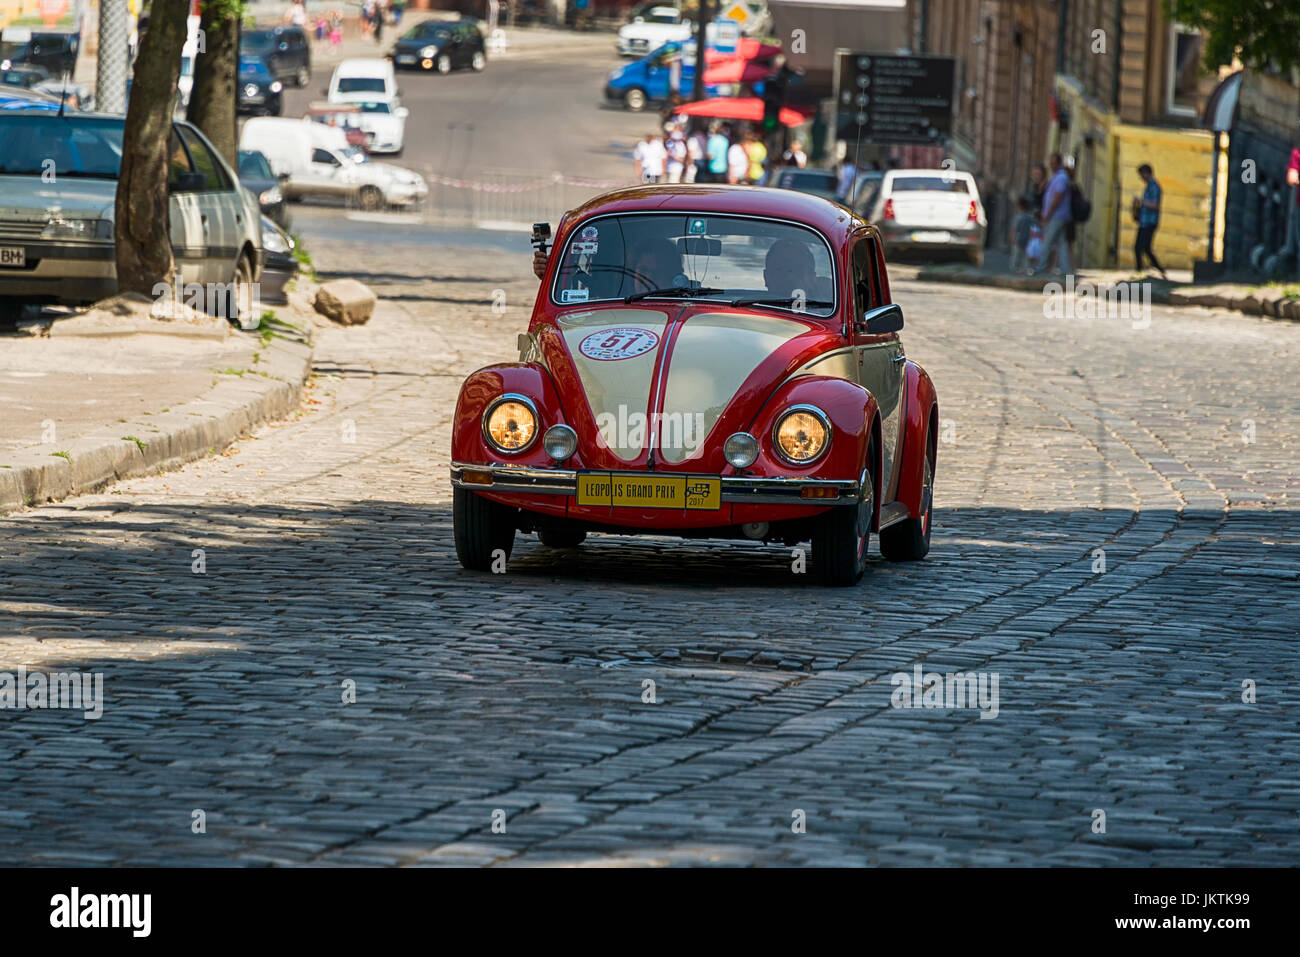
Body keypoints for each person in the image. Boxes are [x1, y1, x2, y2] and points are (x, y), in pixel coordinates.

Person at [1036, 152, 1072, 276]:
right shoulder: (1057, 176)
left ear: (1059, 163)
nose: (1051, 165)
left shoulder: (1061, 177)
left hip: (1057, 216)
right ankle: (1065, 271)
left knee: (1048, 241)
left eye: (1053, 163)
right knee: (1062, 244)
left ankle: (1041, 268)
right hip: (1059, 215)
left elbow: (1057, 196)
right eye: (1050, 163)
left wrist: (1048, 213)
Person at [1134, 163, 1167, 279]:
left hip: (1150, 222)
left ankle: (1155, 268)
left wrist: (1141, 202)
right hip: (1144, 221)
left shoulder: (1154, 186)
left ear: (1146, 173)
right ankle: (1144, 269)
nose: (1141, 178)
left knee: (1143, 247)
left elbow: (1155, 205)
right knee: (1140, 247)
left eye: (1141, 174)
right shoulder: (1148, 186)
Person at [1010, 195, 1034, 274]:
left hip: (1019, 239)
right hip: (1028, 240)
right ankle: (1026, 269)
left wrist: (1012, 238)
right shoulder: (1030, 217)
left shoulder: (1019, 217)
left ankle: (1014, 269)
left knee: (1016, 255)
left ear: (1019, 206)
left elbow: (1015, 229)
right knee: (1026, 256)